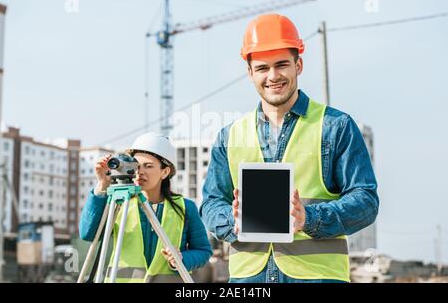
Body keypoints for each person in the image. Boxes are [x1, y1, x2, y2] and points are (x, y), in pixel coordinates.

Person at [200, 14, 379, 283]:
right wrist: (232, 222)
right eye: (262, 68)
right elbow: (212, 203)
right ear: (250, 73)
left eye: (282, 65)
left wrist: (309, 218)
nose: (273, 76)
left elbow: (365, 201)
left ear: (299, 65)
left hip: (316, 277)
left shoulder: (335, 126)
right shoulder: (230, 136)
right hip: (249, 279)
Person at [79, 132, 212, 283]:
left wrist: (182, 258)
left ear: (165, 171)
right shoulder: (119, 203)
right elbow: (88, 234)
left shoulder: (185, 207)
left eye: (148, 166)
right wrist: (102, 185)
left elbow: (203, 251)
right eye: (136, 166)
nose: (139, 172)